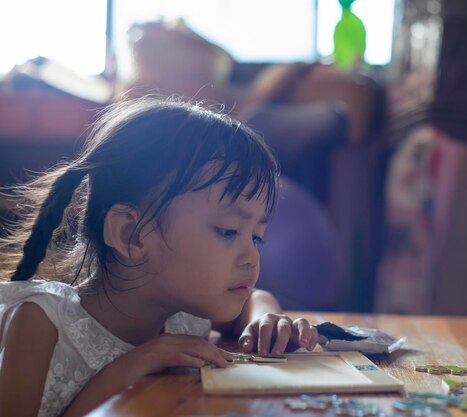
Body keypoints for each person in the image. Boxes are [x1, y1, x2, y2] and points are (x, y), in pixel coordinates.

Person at [0, 97, 320, 417]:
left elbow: (252, 301)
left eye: (256, 237)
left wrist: (264, 320)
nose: (251, 257)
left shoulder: (181, 314)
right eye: (228, 231)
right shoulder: (41, 323)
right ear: (132, 234)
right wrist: (135, 365)